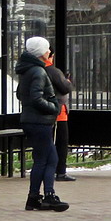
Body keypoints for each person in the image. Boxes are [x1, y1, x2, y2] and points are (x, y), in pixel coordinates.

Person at [15, 36, 69, 212]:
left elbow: (20, 94)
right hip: (40, 121)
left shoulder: (26, 70)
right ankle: (48, 196)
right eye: (47, 49)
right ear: (41, 52)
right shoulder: (38, 71)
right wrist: (54, 107)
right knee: (49, 158)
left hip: (30, 120)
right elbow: (36, 98)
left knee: (43, 158)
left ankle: (34, 197)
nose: (49, 52)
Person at [45, 54, 74, 182]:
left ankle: (47, 170)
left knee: (47, 142)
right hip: (58, 112)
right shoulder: (53, 71)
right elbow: (65, 88)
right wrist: (67, 81)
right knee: (61, 142)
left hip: (42, 113)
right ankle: (60, 171)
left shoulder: (32, 70)